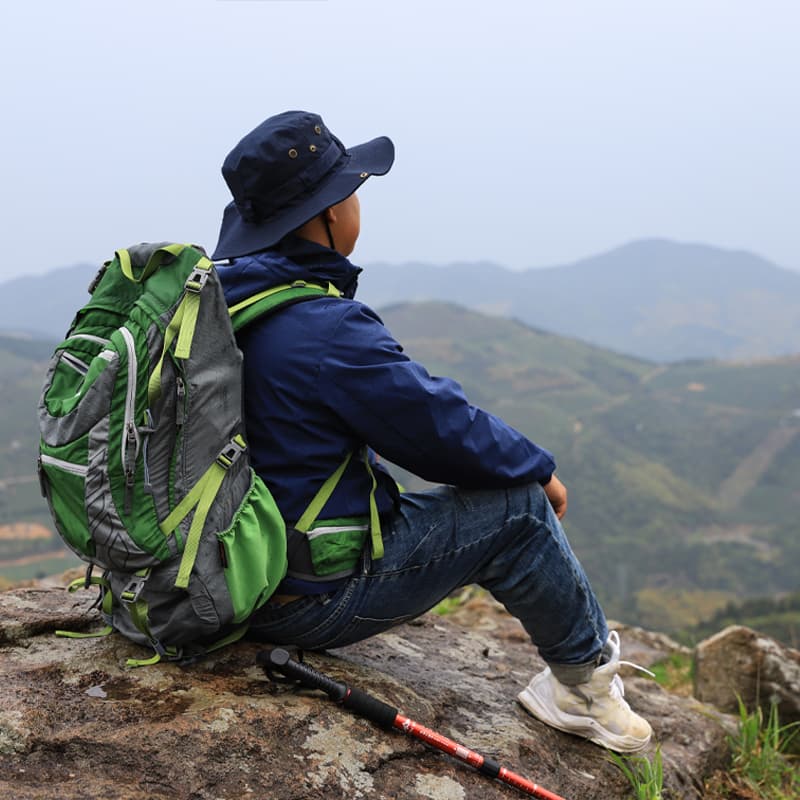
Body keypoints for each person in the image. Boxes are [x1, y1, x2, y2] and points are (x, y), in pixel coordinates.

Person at [212, 110, 653, 753]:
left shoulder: (220, 303)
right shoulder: (324, 327)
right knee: (520, 511)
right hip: (294, 600)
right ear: (329, 211)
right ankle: (582, 686)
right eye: (353, 188)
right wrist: (537, 468)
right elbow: (439, 429)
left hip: (218, 576)